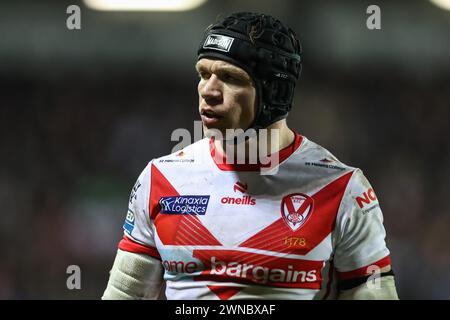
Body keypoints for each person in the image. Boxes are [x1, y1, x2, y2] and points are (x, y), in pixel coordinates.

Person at [102, 12, 398, 300]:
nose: (209, 90)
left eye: (230, 78)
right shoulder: (160, 179)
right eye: (203, 74)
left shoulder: (343, 189)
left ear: (274, 91)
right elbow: (127, 293)